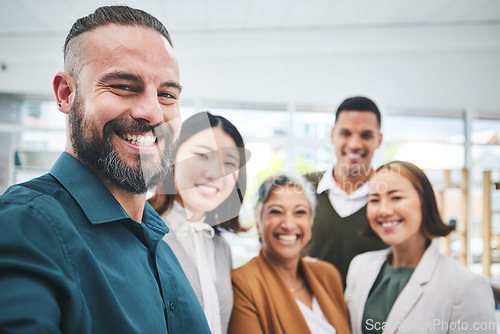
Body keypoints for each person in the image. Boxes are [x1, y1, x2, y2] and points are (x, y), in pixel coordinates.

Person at [0, 6, 211, 333]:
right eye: (125, 86)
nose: (153, 112)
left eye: (167, 94)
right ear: (66, 94)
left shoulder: (158, 242)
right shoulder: (24, 227)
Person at [345, 161, 496, 334]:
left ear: (425, 203)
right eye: (374, 200)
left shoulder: (466, 285)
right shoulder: (360, 267)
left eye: (396, 198)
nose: (384, 210)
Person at [148, 111, 247, 334]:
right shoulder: (144, 232)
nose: (216, 173)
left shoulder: (220, 246)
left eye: (230, 163)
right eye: (202, 156)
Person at [229, 173, 351, 334]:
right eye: (276, 212)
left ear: (310, 222)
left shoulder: (328, 275)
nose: (288, 224)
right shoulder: (242, 284)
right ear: (258, 222)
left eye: (300, 212)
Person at [302, 96, 387, 288]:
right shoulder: (300, 188)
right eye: (346, 133)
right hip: (305, 314)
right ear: (333, 135)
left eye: (366, 135)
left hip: (371, 316)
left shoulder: (389, 197)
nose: (355, 144)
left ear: (379, 140)